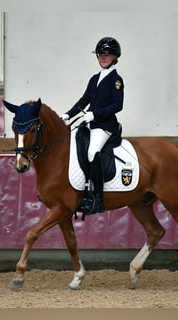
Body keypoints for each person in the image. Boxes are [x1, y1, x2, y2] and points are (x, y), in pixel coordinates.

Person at [60, 36, 124, 214]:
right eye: (100, 55)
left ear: (115, 56)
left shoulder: (116, 80)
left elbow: (118, 105)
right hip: (91, 123)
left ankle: (97, 197)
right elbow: (84, 100)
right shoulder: (94, 78)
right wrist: (67, 114)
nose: (103, 58)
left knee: (92, 152)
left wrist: (95, 114)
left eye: (107, 55)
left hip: (105, 126)